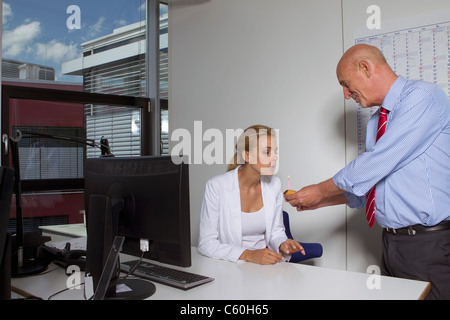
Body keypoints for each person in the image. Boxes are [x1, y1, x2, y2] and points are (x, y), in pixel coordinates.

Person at [285, 44, 450, 300]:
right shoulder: (376, 122)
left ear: (365, 68)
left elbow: (375, 163)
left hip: (429, 246)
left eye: (346, 84)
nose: (346, 94)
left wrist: (319, 190)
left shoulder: (423, 97)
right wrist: (322, 201)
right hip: (392, 245)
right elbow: (372, 187)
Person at [198, 125, 305, 265]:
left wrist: (282, 243)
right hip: (230, 267)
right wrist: (248, 255)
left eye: (275, 152)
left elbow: (276, 231)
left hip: (265, 266)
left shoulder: (274, 184)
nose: (275, 157)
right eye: (267, 152)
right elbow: (206, 243)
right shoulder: (216, 186)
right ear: (247, 156)